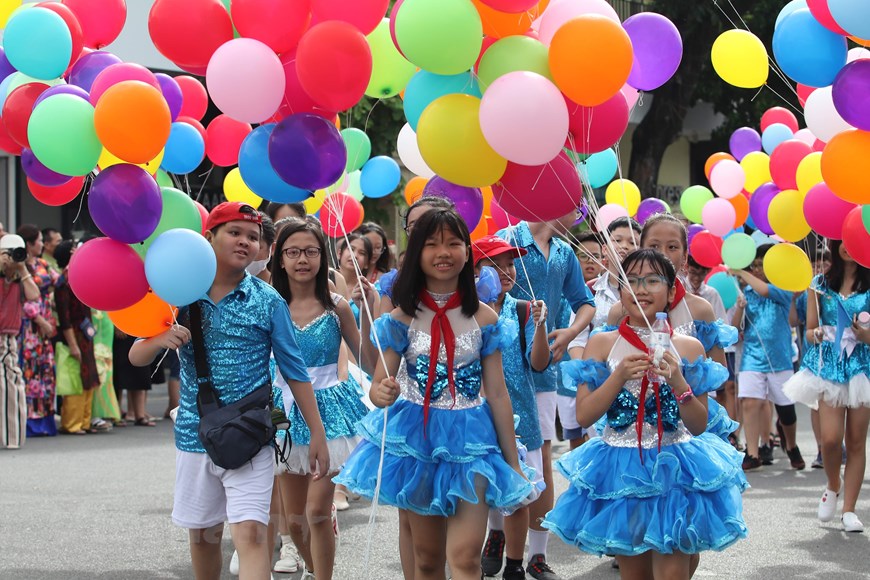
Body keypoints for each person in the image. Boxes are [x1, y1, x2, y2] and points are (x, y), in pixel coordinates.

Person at [129, 202, 329, 580]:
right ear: (209, 237)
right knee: (204, 536)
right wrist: (158, 339)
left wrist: (317, 432)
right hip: (195, 435)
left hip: (252, 434)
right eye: (234, 232)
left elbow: (295, 371)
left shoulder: (268, 299)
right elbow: (136, 356)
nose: (244, 242)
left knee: (251, 534)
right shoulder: (179, 294)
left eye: (252, 237)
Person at [336, 208, 533, 580]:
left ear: (467, 252)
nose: (444, 252)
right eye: (432, 244)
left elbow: (498, 393)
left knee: (465, 557)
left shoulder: (486, 319)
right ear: (417, 254)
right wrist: (382, 391)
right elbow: (378, 386)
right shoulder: (400, 319)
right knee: (427, 560)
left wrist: (514, 463)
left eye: (453, 243)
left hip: (473, 441)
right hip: (417, 441)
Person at [544, 249, 748, 579]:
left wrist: (678, 381)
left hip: (675, 468)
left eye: (652, 281)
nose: (641, 289)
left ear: (671, 290)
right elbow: (583, 416)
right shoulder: (601, 344)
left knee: (674, 572)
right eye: (632, 281)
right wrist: (618, 376)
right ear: (619, 289)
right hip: (622, 470)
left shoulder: (688, 347)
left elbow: (698, 424)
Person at [270, 218, 375, 579]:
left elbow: (367, 360)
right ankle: (315, 571)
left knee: (317, 511)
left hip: (329, 411)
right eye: (293, 252)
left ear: (322, 256)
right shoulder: (270, 306)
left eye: (311, 251)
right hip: (283, 413)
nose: (302, 259)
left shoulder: (337, 306)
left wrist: (368, 314)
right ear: (280, 258)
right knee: (295, 522)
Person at [497, 213, 596, 580]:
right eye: (573, 203)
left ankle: (537, 555)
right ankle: (496, 533)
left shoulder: (565, 253)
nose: (578, 211)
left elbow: (585, 302)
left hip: (542, 366)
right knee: (497, 455)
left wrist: (569, 332)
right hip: (501, 366)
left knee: (540, 459)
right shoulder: (507, 237)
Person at [473, 235, 550, 580]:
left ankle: (517, 564)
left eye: (510, 264)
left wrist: (541, 326)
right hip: (477, 416)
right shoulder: (466, 311)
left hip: (522, 417)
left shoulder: (523, 309)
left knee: (520, 493)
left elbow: (539, 363)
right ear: (475, 271)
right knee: (481, 489)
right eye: (495, 265)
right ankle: (490, 540)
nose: (506, 271)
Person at [783, 240, 870, 532]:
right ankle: (833, 484)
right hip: (829, 366)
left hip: (862, 367)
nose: (848, 246)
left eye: (855, 239)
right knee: (831, 440)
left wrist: (864, 335)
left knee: (856, 441)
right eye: (843, 240)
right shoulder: (819, 284)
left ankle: (849, 510)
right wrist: (816, 333)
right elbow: (808, 330)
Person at [731, 245, 805, 471]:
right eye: (754, 266)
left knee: (786, 410)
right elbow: (734, 328)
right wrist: (739, 308)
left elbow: (764, 291)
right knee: (750, 402)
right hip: (752, 356)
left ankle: (791, 445)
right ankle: (753, 453)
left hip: (779, 358)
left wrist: (740, 272)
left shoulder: (782, 291)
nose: (757, 270)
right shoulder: (746, 293)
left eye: (762, 265)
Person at [54, 241, 103, 435]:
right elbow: (64, 318)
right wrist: (73, 344)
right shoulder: (63, 282)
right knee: (76, 377)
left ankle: (84, 421)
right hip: (74, 333)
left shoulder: (78, 275)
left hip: (85, 333)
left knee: (89, 377)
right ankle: (72, 422)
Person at [17, 224, 59, 437]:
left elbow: (59, 281)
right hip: (29, 327)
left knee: (46, 371)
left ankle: (45, 421)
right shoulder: (19, 267)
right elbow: (21, 299)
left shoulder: (43, 264)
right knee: (30, 372)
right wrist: (41, 320)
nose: (42, 244)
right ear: (29, 244)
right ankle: (29, 421)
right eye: (39, 240)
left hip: (46, 324)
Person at [0, 234, 40, 448]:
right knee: (9, 383)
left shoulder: (21, 276)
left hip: (8, 337)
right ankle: (9, 437)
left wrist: (22, 270)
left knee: (11, 384)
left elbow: (34, 296)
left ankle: (12, 438)